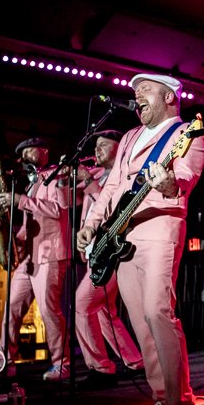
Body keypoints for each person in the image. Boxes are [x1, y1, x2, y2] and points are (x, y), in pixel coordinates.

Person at [76, 73, 204, 405]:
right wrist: (91, 224)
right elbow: (113, 186)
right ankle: (162, 399)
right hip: (123, 233)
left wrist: (170, 183)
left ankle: (182, 401)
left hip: (161, 226)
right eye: (135, 91)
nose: (137, 95)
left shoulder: (189, 133)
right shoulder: (131, 137)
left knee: (156, 311)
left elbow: (186, 175)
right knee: (139, 320)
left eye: (145, 89)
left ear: (169, 96)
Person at [73, 129, 144, 391]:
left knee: (82, 305)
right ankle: (135, 361)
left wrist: (88, 182)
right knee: (104, 311)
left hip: (114, 251)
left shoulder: (121, 175)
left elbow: (112, 206)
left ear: (119, 146)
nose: (97, 150)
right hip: (97, 250)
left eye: (104, 144)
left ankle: (101, 368)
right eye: (96, 145)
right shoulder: (97, 176)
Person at [0, 137, 71, 381]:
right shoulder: (33, 182)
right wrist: (16, 239)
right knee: (11, 308)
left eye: (30, 151)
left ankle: (62, 364)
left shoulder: (57, 176)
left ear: (44, 151)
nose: (24, 156)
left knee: (49, 311)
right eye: (22, 153)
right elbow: (31, 222)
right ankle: (4, 362)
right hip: (29, 257)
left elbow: (59, 210)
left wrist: (19, 200)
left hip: (50, 255)